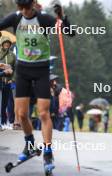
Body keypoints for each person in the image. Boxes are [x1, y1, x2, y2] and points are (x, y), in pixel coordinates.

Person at [0, 0, 75, 174]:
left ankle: (48, 152)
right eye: (21, 8)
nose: (25, 12)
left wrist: (62, 17)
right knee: (21, 115)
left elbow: (70, 32)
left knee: (43, 113)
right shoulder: (15, 18)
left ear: (33, 4)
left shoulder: (44, 19)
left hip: (41, 70)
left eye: (27, 8)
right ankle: (29, 145)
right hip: (23, 70)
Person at [0, 36, 15, 130]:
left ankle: (4, 122)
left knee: (6, 103)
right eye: (5, 43)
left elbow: (16, 68)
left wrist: (12, 77)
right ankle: (1, 122)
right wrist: (2, 67)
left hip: (8, 82)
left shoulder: (12, 55)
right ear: (2, 43)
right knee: (0, 103)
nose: (7, 44)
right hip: (0, 80)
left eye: (8, 43)